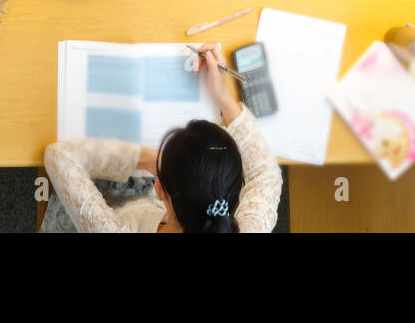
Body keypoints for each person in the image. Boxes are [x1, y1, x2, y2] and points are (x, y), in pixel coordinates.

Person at [42, 44, 282, 232]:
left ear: (159, 187)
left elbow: (58, 156)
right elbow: (266, 176)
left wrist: (147, 158)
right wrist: (223, 97)